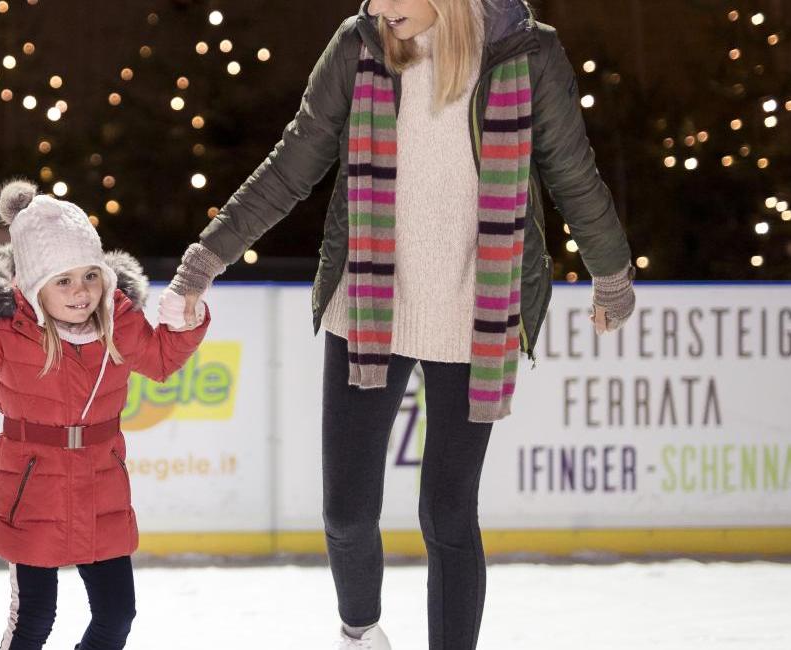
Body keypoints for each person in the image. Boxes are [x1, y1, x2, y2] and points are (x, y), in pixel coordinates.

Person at [160, 1, 637, 648]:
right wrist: (206, 258)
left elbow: (571, 171)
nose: (377, 6)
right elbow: (294, 161)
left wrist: (611, 274)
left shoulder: (527, 54)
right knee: (347, 513)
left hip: (476, 311)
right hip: (367, 305)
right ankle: (359, 631)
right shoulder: (359, 46)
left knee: (447, 513)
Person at [0, 181, 211, 650]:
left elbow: (158, 360)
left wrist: (185, 322)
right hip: (32, 486)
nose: (81, 293)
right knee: (35, 618)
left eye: (89, 276)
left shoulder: (117, 317)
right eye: (64, 281)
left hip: (101, 485)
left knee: (117, 615)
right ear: (34, 286)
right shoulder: (7, 327)